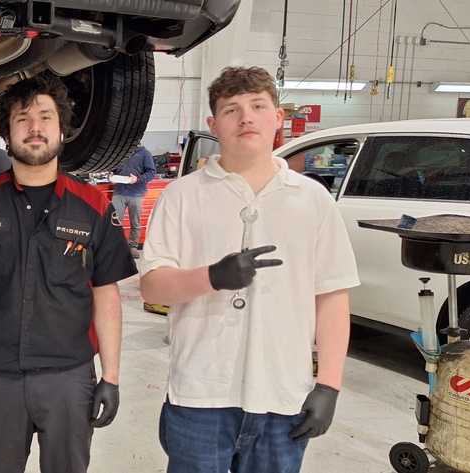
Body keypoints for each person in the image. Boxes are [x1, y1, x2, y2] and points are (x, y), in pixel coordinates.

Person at [139, 66, 359, 473]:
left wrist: (328, 384)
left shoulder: (313, 200)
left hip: (282, 397)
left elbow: (331, 295)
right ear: (213, 124)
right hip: (200, 397)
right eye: (231, 109)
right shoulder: (182, 196)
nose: (246, 118)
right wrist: (211, 277)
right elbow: (152, 287)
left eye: (258, 106)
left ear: (277, 118)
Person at [0, 73, 137, 473]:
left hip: (68, 377)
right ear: (7, 134)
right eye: (23, 119)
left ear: (62, 130)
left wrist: (110, 377)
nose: (35, 127)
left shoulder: (91, 205)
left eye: (46, 117)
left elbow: (106, 294)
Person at [111, 142, 157, 258]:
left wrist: (138, 179)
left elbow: (152, 172)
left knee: (135, 222)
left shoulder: (144, 154)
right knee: (115, 222)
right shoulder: (120, 153)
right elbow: (112, 169)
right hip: (119, 192)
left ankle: (133, 247)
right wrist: (110, 176)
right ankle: (116, 247)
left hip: (136, 193)